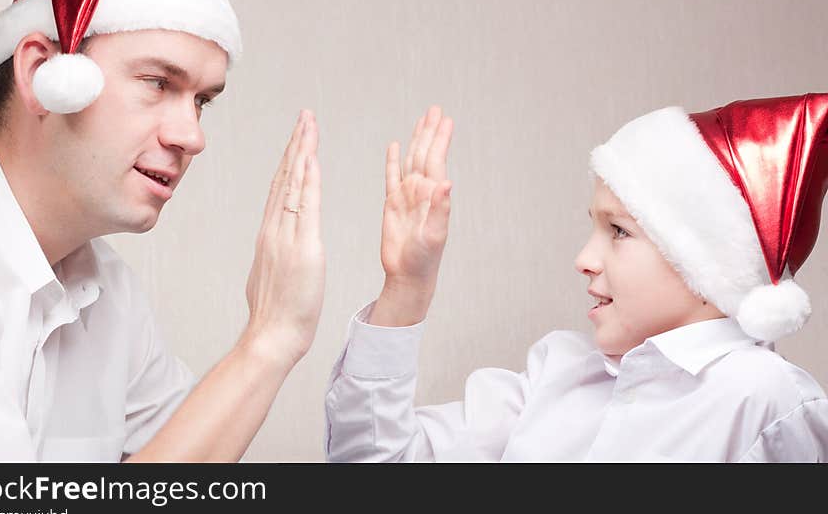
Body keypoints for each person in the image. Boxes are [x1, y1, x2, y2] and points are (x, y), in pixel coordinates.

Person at [0, 0, 325, 461]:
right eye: (158, 83)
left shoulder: (111, 297)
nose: (192, 136)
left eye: (202, 101)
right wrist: (268, 341)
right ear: (43, 75)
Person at [325, 97, 828, 461]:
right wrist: (406, 289)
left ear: (704, 262)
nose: (584, 258)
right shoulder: (557, 373)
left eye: (618, 231)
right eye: (593, 226)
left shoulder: (764, 398)